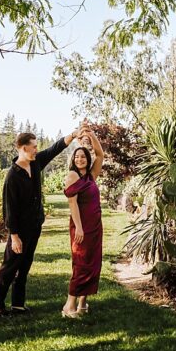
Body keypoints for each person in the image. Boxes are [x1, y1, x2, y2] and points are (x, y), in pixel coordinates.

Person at [0, 128, 77, 317]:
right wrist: (14, 237)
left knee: (25, 265)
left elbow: (55, 149)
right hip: (19, 231)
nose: (37, 150)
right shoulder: (13, 176)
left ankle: (18, 305)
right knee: (10, 267)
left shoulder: (36, 163)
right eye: (34, 147)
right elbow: (9, 208)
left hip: (34, 226)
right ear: (23, 148)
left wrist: (74, 134)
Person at [62, 124, 104, 318]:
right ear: (73, 159)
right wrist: (78, 227)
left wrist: (91, 134)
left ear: (87, 160)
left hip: (95, 226)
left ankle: (83, 304)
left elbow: (100, 155)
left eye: (83, 156)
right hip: (81, 226)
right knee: (81, 264)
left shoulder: (91, 175)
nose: (79, 159)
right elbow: (73, 204)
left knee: (94, 264)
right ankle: (68, 306)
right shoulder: (72, 176)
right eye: (76, 156)